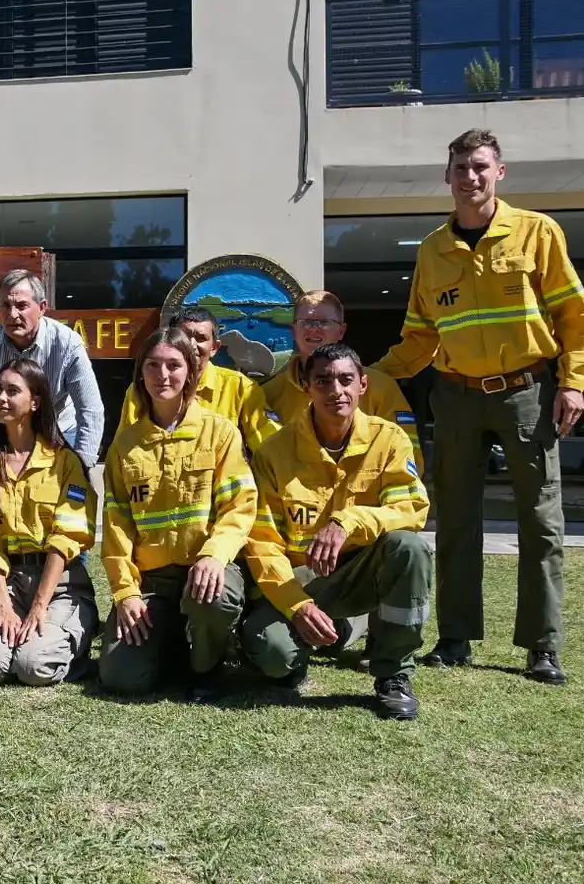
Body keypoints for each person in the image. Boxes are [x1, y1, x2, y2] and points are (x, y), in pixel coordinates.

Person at [376, 128, 582, 686]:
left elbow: (571, 315)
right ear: (447, 177)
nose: (471, 176)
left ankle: (542, 646)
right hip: (456, 394)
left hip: (527, 393)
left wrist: (573, 382)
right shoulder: (431, 249)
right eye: (461, 167)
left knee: (540, 519)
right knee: (456, 519)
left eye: (481, 166)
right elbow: (419, 336)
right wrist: (365, 376)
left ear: (500, 172)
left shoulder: (538, 232)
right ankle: (455, 636)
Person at [239, 343, 433, 720]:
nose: (335, 391)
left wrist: (348, 521)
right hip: (300, 580)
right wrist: (297, 606)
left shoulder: (389, 439)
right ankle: (341, 627)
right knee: (275, 659)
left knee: (408, 547)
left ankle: (394, 674)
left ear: (363, 384)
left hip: (361, 572)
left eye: (346, 380)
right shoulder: (275, 452)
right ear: (308, 387)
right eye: (323, 381)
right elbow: (262, 543)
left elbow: (410, 510)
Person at [97, 327, 258, 700]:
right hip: (154, 582)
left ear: (191, 372)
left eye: (173, 365)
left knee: (213, 597)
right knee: (121, 677)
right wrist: (125, 593)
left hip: (205, 569)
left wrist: (215, 557)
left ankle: (206, 666)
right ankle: (171, 640)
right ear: (141, 372)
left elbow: (240, 506)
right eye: (152, 365)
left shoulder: (220, 433)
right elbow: (117, 526)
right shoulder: (126, 444)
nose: (162, 375)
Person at [0, 358, 97, 686]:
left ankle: (70, 646)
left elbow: (67, 537)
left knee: (32, 667)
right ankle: (13, 638)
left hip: (59, 583)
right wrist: (3, 605)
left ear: (35, 402)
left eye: (12, 391)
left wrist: (40, 604)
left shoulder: (65, 462)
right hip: (10, 580)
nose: (1, 398)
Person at [0, 269, 105, 469]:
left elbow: (91, 410)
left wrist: (81, 466)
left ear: (42, 307)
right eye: (5, 306)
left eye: (21, 306)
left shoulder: (68, 344)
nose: (12, 314)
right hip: (7, 437)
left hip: (59, 433)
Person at [259, 289, 421, 467]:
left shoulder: (381, 387)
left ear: (341, 331)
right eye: (306, 322)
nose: (314, 328)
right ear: (294, 330)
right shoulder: (269, 393)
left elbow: (408, 456)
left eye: (324, 322)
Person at [116, 305, 278, 453]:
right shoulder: (145, 388)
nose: (192, 344)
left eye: (201, 338)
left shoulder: (241, 388)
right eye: (185, 336)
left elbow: (270, 449)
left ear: (214, 348)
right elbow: (124, 449)